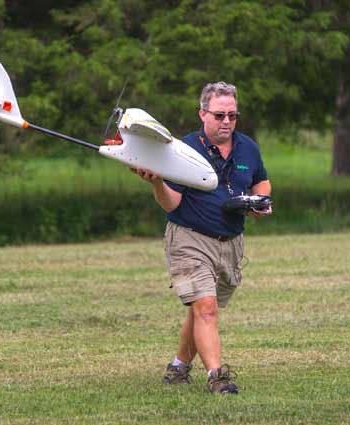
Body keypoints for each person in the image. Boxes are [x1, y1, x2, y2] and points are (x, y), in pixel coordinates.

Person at [105, 82, 272, 394]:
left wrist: (260, 202)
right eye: (220, 115)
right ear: (202, 114)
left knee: (201, 309)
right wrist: (156, 183)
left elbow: (262, 183)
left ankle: (179, 366)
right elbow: (172, 203)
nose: (227, 122)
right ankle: (217, 378)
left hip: (232, 243)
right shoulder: (183, 149)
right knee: (205, 308)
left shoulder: (248, 147)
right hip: (189, 238)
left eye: (232, 116)